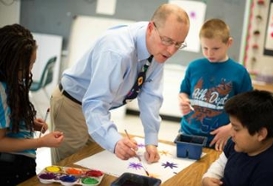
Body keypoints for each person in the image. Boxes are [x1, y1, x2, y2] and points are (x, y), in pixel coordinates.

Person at [50, 3, 190, 164]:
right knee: (71, 169)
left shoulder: (159, 46)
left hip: (98, 109)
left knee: (95, 164)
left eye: (179, 44)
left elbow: (151, 97)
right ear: (151, 28)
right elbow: (95, 103)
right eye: (168, 41)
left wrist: (151, 140)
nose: (171, 51)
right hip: (72, 105)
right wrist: (115, 141)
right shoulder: (118, 51)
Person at [0, 24, 64, 185]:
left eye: (32, 64)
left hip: (21, 162)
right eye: (26, 67)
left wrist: (29, 123)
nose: (29, 72)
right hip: (9, 167)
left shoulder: (13, 82)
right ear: (8, 63)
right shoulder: (1, 91)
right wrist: (41, 142)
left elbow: (8, 120)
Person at [178, 18, 252, 151]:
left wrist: (231, 128)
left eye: (216, 48)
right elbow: (184, 91)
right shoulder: (194, 67)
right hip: (188, 133)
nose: (209, 53)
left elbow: (248, 108)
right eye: (205, 48)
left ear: (229, 43)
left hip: (220, 139)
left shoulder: (239, 72)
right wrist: (183, 100)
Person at [202, 90, 273, 186]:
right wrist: (209, 177)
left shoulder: (271, 174)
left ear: (261, 134)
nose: (231, 133)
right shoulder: (239, 143)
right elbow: (221, 163)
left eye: (236, 129)